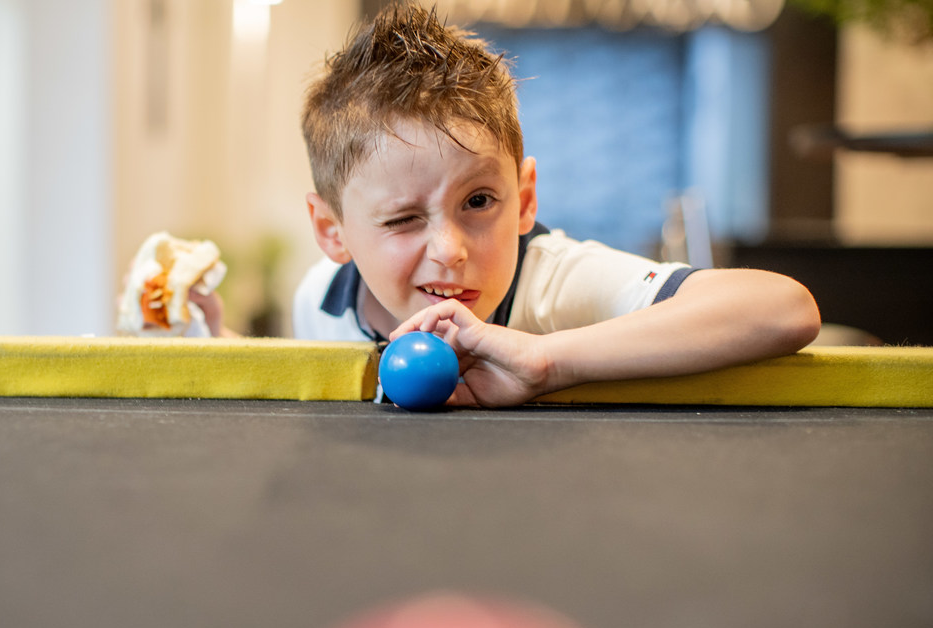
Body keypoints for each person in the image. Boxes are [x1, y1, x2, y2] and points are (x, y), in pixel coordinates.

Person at [291, 3, 821, 407]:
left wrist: (545, 360)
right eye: (404, 218)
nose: (449, 250)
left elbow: (783, 309)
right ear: (333, 231)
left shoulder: (553, 283)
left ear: (523, 198)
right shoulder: (317, 299)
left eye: (478, 201)